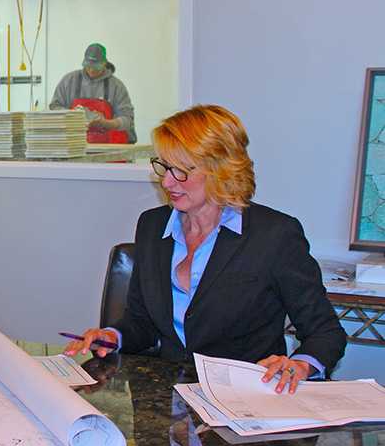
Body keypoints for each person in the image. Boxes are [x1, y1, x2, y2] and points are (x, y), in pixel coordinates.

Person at [64, 105, 346, 393]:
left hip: (246, 397)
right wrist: (112, 336)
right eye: (163, 166)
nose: (167, 181)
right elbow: (143, 321)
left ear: (221, 168)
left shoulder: (275, 235)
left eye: (182, 171)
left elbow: (325, 333)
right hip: (167, 398)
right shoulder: (152, 225)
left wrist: (301, 364)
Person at [49, 43, 136, 144]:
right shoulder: (68, 81)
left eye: (96, 67)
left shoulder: (116, 86)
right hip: (73, 146)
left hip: (109, 149)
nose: (91, 70)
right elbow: (54, 108)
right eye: (88, 66)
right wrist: (73, 115)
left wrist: (105, 123)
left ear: (105, 63)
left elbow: (127, 119)